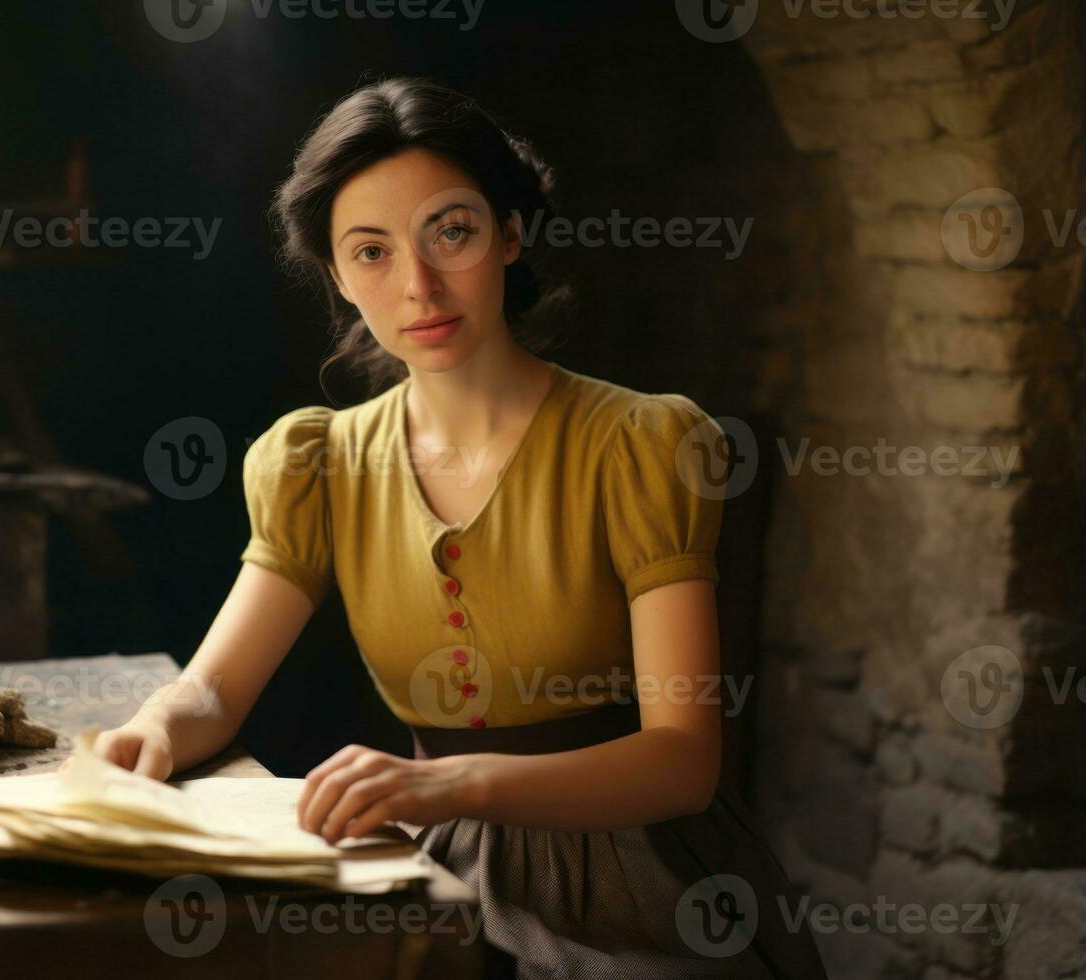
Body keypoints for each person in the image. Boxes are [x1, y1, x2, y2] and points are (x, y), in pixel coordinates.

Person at [83, 76, 829, 979]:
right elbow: (213, 694)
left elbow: (682, 761)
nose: (418, 285)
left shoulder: (639, 444)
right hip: (425, 866)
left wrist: (449, 783)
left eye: (451, 231)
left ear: (509, 234)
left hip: (638, 884)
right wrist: (158, 725)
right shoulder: (319, 465)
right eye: (370, 252)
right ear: (334, 276)